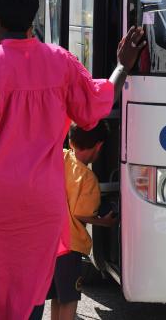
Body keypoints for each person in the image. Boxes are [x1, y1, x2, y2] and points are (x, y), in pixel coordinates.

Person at [0, 0, 146, 320]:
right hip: (43, 204)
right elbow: (95, 106)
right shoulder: (60, 61)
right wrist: (123, 66)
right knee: (31, 293)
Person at [46, 122, 117, 320]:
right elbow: (81, 213)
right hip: (70, 246)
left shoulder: (60, 157)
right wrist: (105, 222)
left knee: (57, 296)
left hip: (50, 242)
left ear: (70, 140)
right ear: (99, 147)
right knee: (69, 298)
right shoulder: (88, 179)